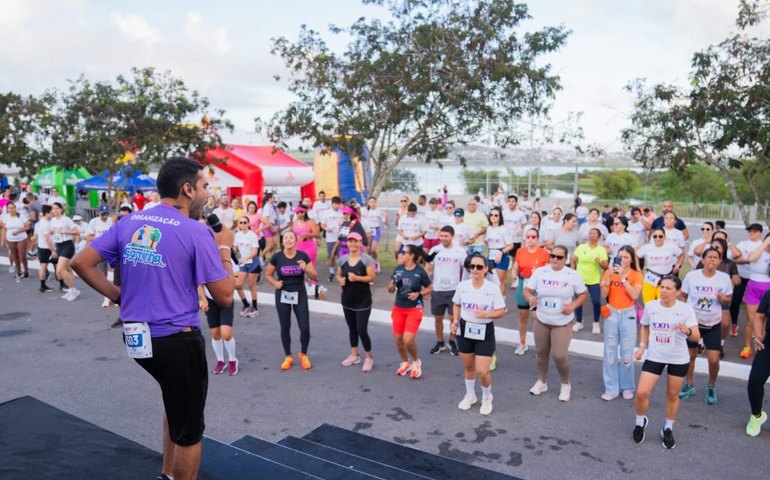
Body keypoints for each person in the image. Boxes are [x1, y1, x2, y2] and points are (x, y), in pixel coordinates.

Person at [71, 156, 235, 480]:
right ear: (187, 190)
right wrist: (225, 251)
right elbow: (225, 296)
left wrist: (119, 296)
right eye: (203, 186)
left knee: (174, 401)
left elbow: (81, 263)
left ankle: (167, 474)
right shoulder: (195, 231)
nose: (206, 194)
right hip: (176, 340)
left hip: (137, 339)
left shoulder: (130, 222)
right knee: (189, 431)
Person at [633, 275, 700, 449]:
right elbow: (645, 326)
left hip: (678, 358)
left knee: (672, 395)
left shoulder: (686, 310)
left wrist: (687, 331)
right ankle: (640, 422)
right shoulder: (651, 306)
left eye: (668, 288)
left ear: (677, 292)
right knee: (641, 393)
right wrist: (642, 347)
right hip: (655, 356)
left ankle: (668, 428)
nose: (663, 291)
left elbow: (696, 336)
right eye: (662, 287)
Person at [524, 245, 588, 401]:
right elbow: (527, 290)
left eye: (559, 257)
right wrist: (531, 301)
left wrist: (572, 306)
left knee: (559, 355)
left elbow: (583, 294)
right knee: (541, 353)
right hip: (542, 319)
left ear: (565, 259)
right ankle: (542, 381)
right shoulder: (540, 271)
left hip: (562, 322)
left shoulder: (572, 274)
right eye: (552, 256)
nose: (554, 259)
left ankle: (565, 384)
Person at [451, 253, 507, 415]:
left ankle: (487, 397)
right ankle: (470, 395)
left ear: (486, 269)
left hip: (484, 331)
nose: (475, 269)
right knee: (468, 367)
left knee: (482, 371)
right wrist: (455, 321)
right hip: (465, 329)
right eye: (472, 266)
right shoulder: (463, 286)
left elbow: (501, 311)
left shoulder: (493, 289)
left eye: (479, 267)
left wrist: (486, 315)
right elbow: (456, 304)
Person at [679, 247, 733, 405]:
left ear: (719, 261)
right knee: (690, 356)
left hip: (712, 324)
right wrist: (683, 312)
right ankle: (690, 384)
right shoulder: (692, 276)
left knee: (714, 359)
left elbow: (729, 298)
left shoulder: (723, 278)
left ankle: (711, 385)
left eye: (715, 257)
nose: (712, 259)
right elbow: (683, 295)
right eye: (709, 256)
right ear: (702, 260)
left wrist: (724, 298)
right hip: (693, 323)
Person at [265, 231, 318, 370]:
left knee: (305, 327)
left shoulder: (303, 256)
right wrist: (275, 283)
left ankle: (303, 354)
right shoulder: (277, 257)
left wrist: (305, 268)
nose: (288, 240)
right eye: (286, 238)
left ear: (295, 241)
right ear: (283, 241)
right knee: (285, 326)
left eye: (291, 238)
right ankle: (288, 356)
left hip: (299, 294)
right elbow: (268, 274)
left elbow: (314, 276)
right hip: (283, 295)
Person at [600, 246, 643, 400]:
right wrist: (608, 279)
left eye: (626, 257)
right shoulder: (608, 272)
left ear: (631, 259)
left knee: (626, 353)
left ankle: (627, 386)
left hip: (628, 314)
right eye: (620, 257)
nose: (623, 260)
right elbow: (604, 294)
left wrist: (623, 278)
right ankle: (611, 388)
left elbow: (635, 295)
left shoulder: (637, 275)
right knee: (610, 353)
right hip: (611, 313)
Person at [388, 244, 432, 378]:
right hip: (399, 307)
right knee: (398, 339)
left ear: (411, 256)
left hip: (414, 309)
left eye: (404, 252)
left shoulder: (420, 272)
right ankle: (405, 362)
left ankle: (415, 361)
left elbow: (430, 288)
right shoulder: (399, 269)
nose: (401, 254)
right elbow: (390, 288)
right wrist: (392, 285)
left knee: (408, 340)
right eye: (402, 252)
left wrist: (419, 294)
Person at [336, 231, 376, 372]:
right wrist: (339, 279)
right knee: (352, 328)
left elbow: (372, 277)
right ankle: (354, 355)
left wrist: (358, 278)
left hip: (363, 300)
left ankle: (369, 357)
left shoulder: (366, 259)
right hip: (347, 299)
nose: (353, 244)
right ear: (347, 242)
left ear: (360, 243)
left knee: (361, 329)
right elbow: (339, 273)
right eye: (350, 241)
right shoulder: (342, 259)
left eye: (356, 241)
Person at [425, 226, 466, 356]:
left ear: (452, 236)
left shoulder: (460, 251)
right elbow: (428, 268)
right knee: (438, 318)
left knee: (454, 319)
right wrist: (427, 287)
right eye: (441, 236)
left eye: (446, 236)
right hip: (437, 290)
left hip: (454, 290)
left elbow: (467, 269)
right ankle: (440, 342)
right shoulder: (435, 250)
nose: (443, 238)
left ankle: (452, 341)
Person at [511, 228, 550, 355]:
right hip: (523, 284)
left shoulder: (544, 253)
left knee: (535, 317)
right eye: (528, 237)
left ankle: (541, 345)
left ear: (537, 238)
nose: (530, 239)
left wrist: (538, 272)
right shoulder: (520, 251)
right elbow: (517, 264)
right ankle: (522, 343)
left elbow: (548, 270)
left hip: (537, 287)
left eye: (533, 237)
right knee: (522, 316)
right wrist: (514, 271)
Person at [198, 262, 239, 376]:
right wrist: (203, 299)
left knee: (226, 334)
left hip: (226, 299)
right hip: (210, 301)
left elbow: (237, 277)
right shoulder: (204, 260)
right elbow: (200, 283)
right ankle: (220, 361)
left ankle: (232, 360)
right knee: (215, 334)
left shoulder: (227, 259)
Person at [572, 228, 608, 334]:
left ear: (599, 237)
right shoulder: (581, 247)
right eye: (590, 233)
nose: (592, 235)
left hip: (594, 279)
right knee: (578, 301)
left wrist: (599, 262)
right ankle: (579, 322)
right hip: (580, 278)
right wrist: (572, 272)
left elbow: (605, 266)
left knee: (596, 301)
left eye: (595, 234)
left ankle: (596, 323)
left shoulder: (601, 250)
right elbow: (574, 261)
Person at [637, 228, 684, 304]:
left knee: (663, 302)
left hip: (665, 279)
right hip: (650, 278)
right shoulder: (647, 247)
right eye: (655, 236)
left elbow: (681, 254)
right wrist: (638, 267)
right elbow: (637, 255)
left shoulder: (671, 247)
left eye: (660, 236)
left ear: (664, 237)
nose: (657, 238)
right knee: (648, 303)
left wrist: (678, 265)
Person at [742, 234, 770, 359]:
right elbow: (751, 258)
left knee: (764, 320)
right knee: (750, 319)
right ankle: (747, 346)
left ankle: (761, 344)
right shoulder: (759, 251)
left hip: (768, 289)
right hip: (753, 287)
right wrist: (765, 244)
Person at [733, 224, 764, 340]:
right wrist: (749, 260)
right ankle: (734, 325)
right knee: (736, 301)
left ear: (760, 233)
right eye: (750, 231)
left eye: (755, 231)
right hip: (742, 277)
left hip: (756, 280)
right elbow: (736, 259)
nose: (752, 233)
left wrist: (746, 260)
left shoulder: (763, 245)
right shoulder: (742, 244)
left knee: (757, 307)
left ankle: (755, 329)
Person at [746, 288, 770, 437]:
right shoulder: (769, 293)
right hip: (768, 344)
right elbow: (760, 316)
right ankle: (756, 416)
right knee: (754, 381)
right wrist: (758, 335)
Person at [49, 202, 80, 300]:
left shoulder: (66, 219)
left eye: (57, 208)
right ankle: (72, 290)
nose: (55, 210)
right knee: (67, 269)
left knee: (59, 270)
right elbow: (52, 232)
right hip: (59, 245)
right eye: (53, 208)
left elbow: (77, 232)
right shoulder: (52, 220)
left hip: (67, 244)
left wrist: (64, 231)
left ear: (62, 209)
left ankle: (73, 289)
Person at [86, 205, 115, 307]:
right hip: (101, 250)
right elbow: (89, 237)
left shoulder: (112, 220)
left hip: (112, 250)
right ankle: (106, 297)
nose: (105, 216)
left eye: (106, 214)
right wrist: (102, 237)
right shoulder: (94, 222)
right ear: (98, 213)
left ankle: (116, 296)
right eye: (103, 214)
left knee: (117, 274)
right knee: (103, 274)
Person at [233, 215, 261, 318]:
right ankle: (246, 305)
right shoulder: (237, 235)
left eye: (245, 222)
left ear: (248, 224)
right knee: (238, 285)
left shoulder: (252, 235)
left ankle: (255, 308)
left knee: (251, 285)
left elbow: (255, 251)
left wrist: (246, 258)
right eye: (241, 223)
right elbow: (235, 248)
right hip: (243, 263)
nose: (243, 224)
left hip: (253, 262)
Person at [484, 206, 514, 295]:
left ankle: (502, 305)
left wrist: (501, 253)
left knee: (500, 281)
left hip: (501, 255)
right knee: (490, 280)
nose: (493, 217)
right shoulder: (489, 228)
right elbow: (489, 243)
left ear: (500, 217)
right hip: (491, 255)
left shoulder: (503, 230)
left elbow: (511, 245)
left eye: (496, 215)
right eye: (491, 215)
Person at [1, 201, 30, 282]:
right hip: (10, 239)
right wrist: (3, 240)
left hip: (21, 238)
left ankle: (26, 271)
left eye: (12, 208)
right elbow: (4, 229)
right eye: (9, 208)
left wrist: (19, 231)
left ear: (15, 208)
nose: (11, 209)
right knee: (15, 256)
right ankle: (19, 271)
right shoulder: (5, 217)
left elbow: (27, 227)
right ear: (7, 209)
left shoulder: (21, 216)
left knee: (22, 256)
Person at [31, 205, 54, 292]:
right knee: (44, 266)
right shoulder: (45, 223)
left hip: (41, 246)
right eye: (51, 213)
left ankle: (43, 285)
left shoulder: (40, 222)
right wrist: (52, 250)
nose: (52, 214)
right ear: (47, 213)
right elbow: (47, 238)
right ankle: (43, 285)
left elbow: (35, 236)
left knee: (43, 266)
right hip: (46, 247)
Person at [361, 196, 387, 272]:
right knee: (368, 250)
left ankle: (376, 262)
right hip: (368, 231)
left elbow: (385, 222)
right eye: (371, 202)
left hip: (376, 230)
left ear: (376, 203)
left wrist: (385, 216)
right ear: (368, 203)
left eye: (374, 202)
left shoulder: (379, 211)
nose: (372, 204)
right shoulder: (366, 211)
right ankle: (370, 266)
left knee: (373, 249)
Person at [320, 196, 344, 281]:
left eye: (338, 204)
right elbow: (322, 225)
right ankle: (332, 273)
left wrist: (342, 225)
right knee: (331, 256)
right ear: (332, 204)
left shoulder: (342, 213)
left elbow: (346, 225)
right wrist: (326, 229)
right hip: (330, 238)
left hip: (341, 238)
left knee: (341, 256)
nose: (337, 206)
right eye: (335, 204)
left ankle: (340, 273)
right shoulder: (326, 213)